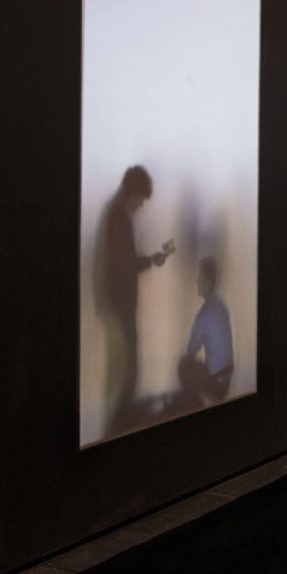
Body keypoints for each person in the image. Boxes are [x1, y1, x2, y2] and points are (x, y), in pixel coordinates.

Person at [94, 165, 168, 435]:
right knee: (128, 366)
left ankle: (119, 423)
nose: (142, 205)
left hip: (119, 301)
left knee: (127, 364)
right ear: (133, 192)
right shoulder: (118, 215)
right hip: (120, 302)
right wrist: (150, 260)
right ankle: (118, 425)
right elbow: (124, 263)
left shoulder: (116, 213)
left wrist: (148, 260)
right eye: (142, 199)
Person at [177, 256, 233, 406]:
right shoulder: (221, 305)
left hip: (216, 384)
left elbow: (191, 351)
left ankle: (193, 404)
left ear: (207, 281)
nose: (197, 281)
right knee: (196, 363)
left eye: (199, 277)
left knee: (184, 364)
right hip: (227, 380)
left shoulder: (204, 313)